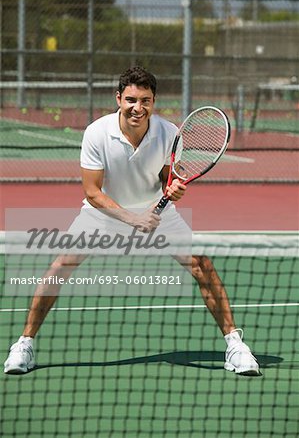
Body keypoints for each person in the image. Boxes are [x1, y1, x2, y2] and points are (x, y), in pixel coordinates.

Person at [4, 66, 260, 376]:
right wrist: (132, 219)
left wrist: (173, 188)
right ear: (118, 99)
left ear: (154, 102)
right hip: (101, 214)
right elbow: (92, 192)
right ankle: (24, 344)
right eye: (131, 99)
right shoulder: (97, 133)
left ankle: (235, 345)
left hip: (157, 214)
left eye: (145, 100)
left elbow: (169, 176)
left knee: (201, 265)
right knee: (60, 267)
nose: (138, 108)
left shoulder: (169, 133)